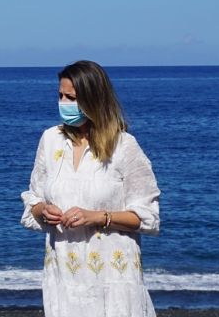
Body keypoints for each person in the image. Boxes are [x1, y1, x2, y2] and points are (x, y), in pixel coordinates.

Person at [21, 60, 161, 317]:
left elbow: (148, 218)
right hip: (64, 277)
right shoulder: (50, 140)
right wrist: (43, 211)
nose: (63, 103)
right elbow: (34, 199)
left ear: (92, 100)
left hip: (113, 282)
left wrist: (98, 216)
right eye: (60, 95)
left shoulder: (124, 147)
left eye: (71, 97)